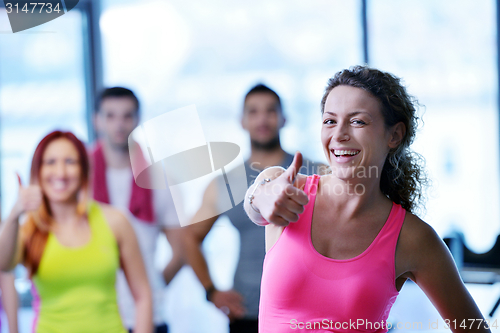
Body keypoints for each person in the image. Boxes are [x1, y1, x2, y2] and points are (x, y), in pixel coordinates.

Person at [244, 66, 492, 333]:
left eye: (357, 121)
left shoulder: (412, 238)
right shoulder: (286, 189)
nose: (338, 135)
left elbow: (474, 328)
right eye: (330, 121)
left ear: (394, 135)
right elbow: (256, 204)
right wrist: (260, 197)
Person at [182, 84, 327, 332]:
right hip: (247, 312)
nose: (262, 119)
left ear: (283, 119)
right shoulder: (226, 183)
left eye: (270, 111)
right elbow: (189, 237)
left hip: (308, 311)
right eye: (254, 112)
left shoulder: (316, 173)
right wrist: (211, 291)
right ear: (242, 121)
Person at [0, 130, 152, 333]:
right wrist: (14, 215)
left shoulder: (115, 221)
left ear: (83, 169)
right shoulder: (29, 228)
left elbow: (143, 295)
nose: (61, 172)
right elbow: (3, 264)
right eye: (51, 162)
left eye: (70, 161)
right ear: (38, 171)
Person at [92, 87, 183, 333]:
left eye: (127, 116)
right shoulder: (80, 180)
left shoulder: (161, 179)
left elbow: (181, 250)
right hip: (95, 316)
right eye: (110, 116)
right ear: (97, 120)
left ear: (138, 119)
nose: (119, 124)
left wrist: (153, 285)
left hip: (149, 315)